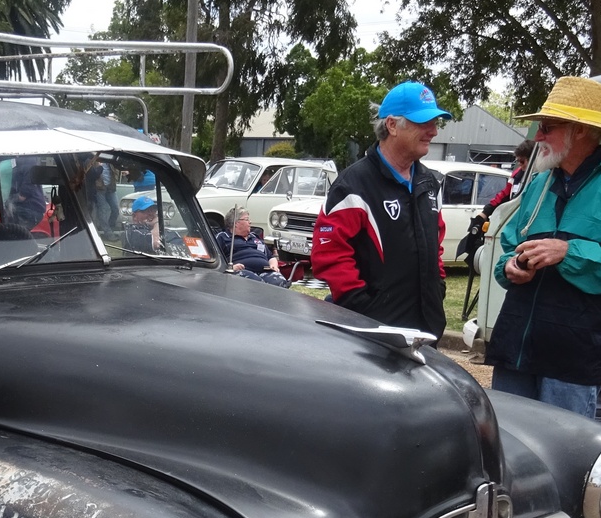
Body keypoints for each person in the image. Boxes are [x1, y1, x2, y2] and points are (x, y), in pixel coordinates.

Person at [487, 77, 601, 418]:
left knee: (564, 445)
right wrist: (509, 267)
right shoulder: (540, 180)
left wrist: (569, 252)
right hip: (516, 343)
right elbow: (510, 246)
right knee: (509, 439)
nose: (538, 137)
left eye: (546, 127)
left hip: (572, 351)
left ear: (579, 130)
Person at [310, 80, 451, 338]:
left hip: (426, 330)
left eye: (435, 123)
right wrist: (360, 305)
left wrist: (437, 287)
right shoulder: (354, 185)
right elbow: (329, 253)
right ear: (392, 125)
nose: (433, 131)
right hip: (372, 332)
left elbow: (436, 244)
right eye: (424, 122)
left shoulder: (429, 183)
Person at [216, 206, 289, 286]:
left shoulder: (254, 237)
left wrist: (274, 265)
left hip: (265, 271)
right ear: (235, 223)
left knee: (280, 282)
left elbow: (270, 257)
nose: (250, 222)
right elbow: (215, 259)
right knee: (256, 284)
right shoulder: (223, 237)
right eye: (247, 219)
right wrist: (230, 268)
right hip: (242, 271)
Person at [482, 139, 535, 217]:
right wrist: (485, 213)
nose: (519, 164)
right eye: (517, 160)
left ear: (532, 160)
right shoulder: (516, 176)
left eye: (522, 161)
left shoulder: (539, 177)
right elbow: (504, 195)